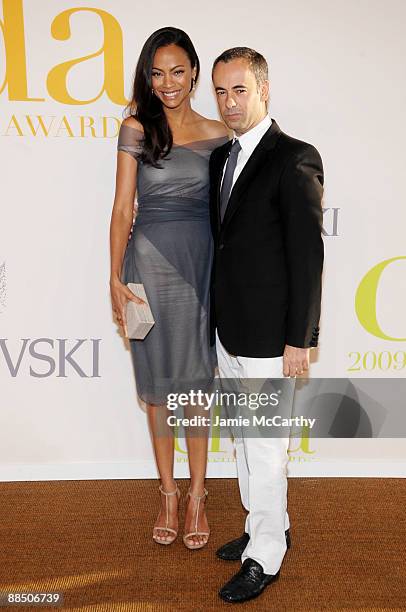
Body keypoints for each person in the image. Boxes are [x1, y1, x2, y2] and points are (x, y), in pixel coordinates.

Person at [209, 47, 324, 602]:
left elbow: (307, 258)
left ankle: (267, 556)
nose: (230, 103)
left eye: (240, 91)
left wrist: (299, 339)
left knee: (266, 446)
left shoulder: (294, 157)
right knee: (243, 440)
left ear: (264, 90)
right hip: (229, 329)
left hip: (270, 337)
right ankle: (262, 525)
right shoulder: (220, 160)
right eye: (221, 92)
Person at [109, 27, 228, 550]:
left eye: (177, 71)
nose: (167, 83)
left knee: (196, 388)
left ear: (195, 72)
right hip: (148, 268)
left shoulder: (222, 133)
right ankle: (169, 493)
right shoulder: (137, 127)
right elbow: (121, 209)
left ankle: (199, 494)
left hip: (201, 270)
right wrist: (114, 278)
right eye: (157, 73)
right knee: (159, 389)